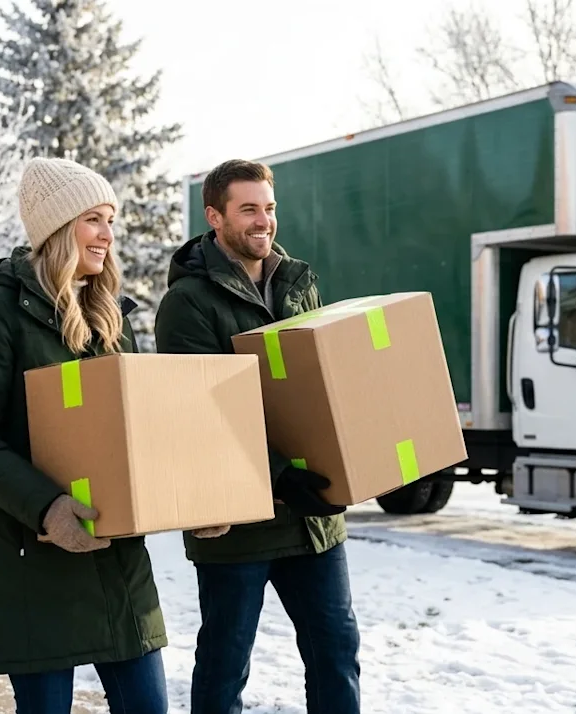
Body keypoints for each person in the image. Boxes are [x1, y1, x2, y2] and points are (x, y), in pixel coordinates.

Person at [0, 157, 168, 714]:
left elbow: (135, 428)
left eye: (110, 220)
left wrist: (188, 499)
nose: (107, 235)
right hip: (33, 559)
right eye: (93, 219)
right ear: (58, 228)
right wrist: (47, 509)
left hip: (116, 562)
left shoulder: (113, 317)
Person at [153, 159, 360, 714]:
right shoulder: (188, 302)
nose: (262, 221)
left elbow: (318, 386)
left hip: (313, 517)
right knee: (226, 662)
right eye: (248, 209)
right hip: (235, 519)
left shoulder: (298, 282)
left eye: (268, 208)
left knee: (337, 653)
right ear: (215, 216)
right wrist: (277, 476)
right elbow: (200, 409)